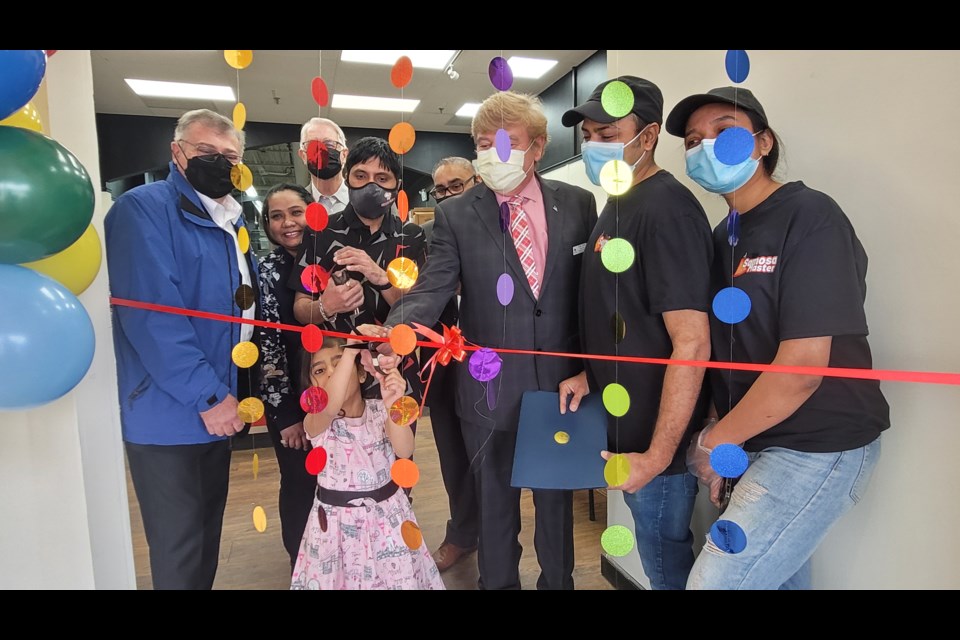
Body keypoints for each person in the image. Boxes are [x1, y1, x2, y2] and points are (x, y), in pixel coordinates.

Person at [665, 87, 890, 589]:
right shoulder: (723, 235)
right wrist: (724, 437)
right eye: (694, 140)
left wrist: (712, 443)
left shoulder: (809, 216)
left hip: (817, 445)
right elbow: (730, 352)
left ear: (763, 143)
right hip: (754, 439)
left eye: (723, 131)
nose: (706, 146)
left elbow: (803, 368)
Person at [379, 91, 598, 590]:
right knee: (495, 509)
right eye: (485, 145)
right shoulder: (458, 215)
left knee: (555, 510)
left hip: (562, 389)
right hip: (488, 389)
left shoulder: (579, 205)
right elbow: (433, 288)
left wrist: (594, 366)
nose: (495, 155)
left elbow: (591, 293)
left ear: (538, 147)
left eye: (509, 143)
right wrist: (399, 331)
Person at [558, 77, 713, 590]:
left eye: (606, 134)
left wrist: (658, 454)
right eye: (588, 137)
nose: (593, 147)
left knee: (665, 563)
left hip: (655, 446)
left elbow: (690, 340)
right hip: (624, 430)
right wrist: (588, 371)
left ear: (646, 137)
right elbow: (621, 315)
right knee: (655, 557)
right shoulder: (617, 203)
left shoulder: (666, 209)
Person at [105, 109, 256, 589]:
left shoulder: (230, 220)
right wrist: (208, 397)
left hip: (216, 406)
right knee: (180, 547)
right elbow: (153, 317)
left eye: (229, 156)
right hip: (172, 413)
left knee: (205, 537)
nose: (219, 163)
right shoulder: (143, 209)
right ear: (177, 153)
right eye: (205, 152)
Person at [290, 336, 445, 590]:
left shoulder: (378, 411)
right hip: (337, 528)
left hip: (388, 521)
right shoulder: (317, 422)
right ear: (312, 387)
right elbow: (330, 405)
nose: (331, 374)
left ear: (362, 375)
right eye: (320, 370)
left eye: (338, 364)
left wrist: (393, 403)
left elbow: (405, 449)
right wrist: (350, 352)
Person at [289, 137, 426, 407]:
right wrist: (327, 307)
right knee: (338, 450)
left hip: (395, 375)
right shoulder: (321, 232)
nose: (371, 185)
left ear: (396, 185)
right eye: (361, 175)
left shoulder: (410, 236)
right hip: (337, 376)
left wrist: (382, 279)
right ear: (347, 178)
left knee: (399, 450)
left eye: (382, 178)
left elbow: (417, 311)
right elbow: (301, 308)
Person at [420, 157, 481, 572]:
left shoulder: (499, 228)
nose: (446, 196)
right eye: (439, 190)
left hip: (492, 364)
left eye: (455, 186)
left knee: (493, 457)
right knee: (453, 456)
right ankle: (462, 533)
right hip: (442, 366)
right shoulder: (427, 236)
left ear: (476, 182)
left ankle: (496, 532)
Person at [257, 184, 318, 570]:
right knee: (299, 484)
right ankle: (303, 565)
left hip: (347, 400)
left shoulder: (336, 257)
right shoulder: (266, 272)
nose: (288, 223)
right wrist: (286, 416)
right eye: (277, 216)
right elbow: (268, 348)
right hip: (294, 400)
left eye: (296, 212)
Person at [298, 117, 350, 214]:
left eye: (329, 144)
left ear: (344, 154)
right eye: (313, 145)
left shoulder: (363, 201)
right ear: (303, 155)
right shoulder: (296, 205)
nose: (322, 151)